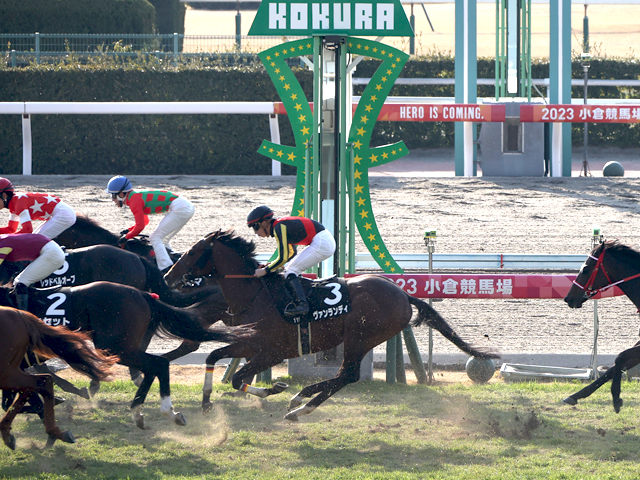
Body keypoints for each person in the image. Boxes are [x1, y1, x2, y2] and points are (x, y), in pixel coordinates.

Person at [247, 205, 336, 317]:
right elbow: (290, 254)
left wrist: (265, 270)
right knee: (289, 268)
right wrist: (272, 266)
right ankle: (302, 298)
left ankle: (302, 305)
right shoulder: (280, 226)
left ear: (264, 223)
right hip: (323, 241)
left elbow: (283, 257)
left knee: (291, 270)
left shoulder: (279, 227)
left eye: (255, 227)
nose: (256, 233)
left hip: (322, 243)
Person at [105, 175, 195, 274]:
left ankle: (166, 269)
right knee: (162, 240)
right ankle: (172, 261)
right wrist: (129, 230)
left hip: (181, 207)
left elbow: (140, 226)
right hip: (184, 206)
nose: (112, 199)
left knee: (155, 237)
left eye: (113, 196)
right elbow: (145, 221)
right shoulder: (135, 197)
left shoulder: (134, 200)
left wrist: (126, 237)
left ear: (121, 194)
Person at [0, 233, 66, 310]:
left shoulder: (3, 245)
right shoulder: (4, 239)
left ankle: (23, 314)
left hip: (52, 254)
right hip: (51, 250)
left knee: (20, 282)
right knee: (20, 281)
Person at [0, 177, 77, 239]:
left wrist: (8, 238)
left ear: (4, 196)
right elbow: (11, 229)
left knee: (35, 240)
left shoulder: (18, 204)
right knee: (35, 237)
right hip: (60, 212)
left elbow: (28, 230)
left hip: (63, 214)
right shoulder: (14, 203)